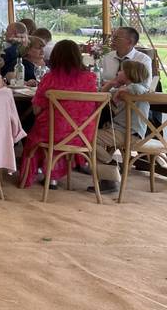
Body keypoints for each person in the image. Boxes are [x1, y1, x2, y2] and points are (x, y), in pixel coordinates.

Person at [18, 40, 99, 189]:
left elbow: (36, 110)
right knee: (55, 127)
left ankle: (49, 176)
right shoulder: (90, 79)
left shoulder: (50, 78)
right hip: (83, 135)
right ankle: (54, 174)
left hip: (53, 133)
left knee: (37, 130)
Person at [92, 60, 151, 194]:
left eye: (122, 71)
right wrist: (112, 84)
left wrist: (124, 89)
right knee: (88, 137)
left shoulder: (138, 89)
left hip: (130, 134)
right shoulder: (122, 90)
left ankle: (110, 166)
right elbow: (100, 95)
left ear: (130, 74)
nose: (118, 72)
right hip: (119, 131)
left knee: (87, 138)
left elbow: (139, 89)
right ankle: (108, 173)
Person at [99, 26, 156, 90]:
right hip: (105, 96)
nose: (112, 40)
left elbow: (146, 86)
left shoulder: (143, 60)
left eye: (116, 38)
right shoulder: (107, 57)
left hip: (131, 97)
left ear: (130, 42)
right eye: (112, 37)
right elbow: (98, 80)